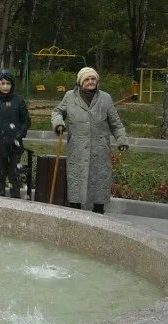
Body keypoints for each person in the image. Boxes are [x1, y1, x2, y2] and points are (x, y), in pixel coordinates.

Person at [51, 67, 129, 214]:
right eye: (86, 79)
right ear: (81, 82)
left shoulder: (105, 98)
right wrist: (59, 123)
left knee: (99, 184)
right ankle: (76, 215)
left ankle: (98, 215)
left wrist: (122, 139)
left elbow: (115, 122)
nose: (90, 82)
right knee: (76, 183)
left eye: (93, 79)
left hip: (99, 149)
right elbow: (57, 111)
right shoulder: (70, 96)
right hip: (77, 148)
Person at [0, 68, 31, 198]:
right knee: (0, 174)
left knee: (14, 174)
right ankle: (0, 201)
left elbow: (26, 121)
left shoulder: (19, 101)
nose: (5, 86)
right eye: (2, 83)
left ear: (12, 85)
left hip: (14, 146)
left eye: (8, 84)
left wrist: (18, 135)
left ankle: (15, 202)